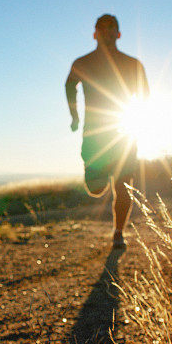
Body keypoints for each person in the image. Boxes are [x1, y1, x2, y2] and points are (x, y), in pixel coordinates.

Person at [65, 14, 150, 249]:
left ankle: (118, 232)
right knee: (96, 189)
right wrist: (74, 115)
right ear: (94, 34)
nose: (106, 33)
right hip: (94, 133)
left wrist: (142, 118)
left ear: (119, 34)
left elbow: (146, 94)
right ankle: (94, 173)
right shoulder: (83, 62)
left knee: (123, 186)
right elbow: (69, 84)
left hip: (124, 131)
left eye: (111, 29)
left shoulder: (133, 64)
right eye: (102, 29)